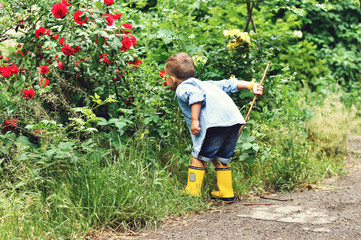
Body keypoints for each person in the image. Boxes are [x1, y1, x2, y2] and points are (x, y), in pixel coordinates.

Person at [164, 52, 263, 203]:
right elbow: (230, 84)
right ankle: (226, 191)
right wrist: (251, 85)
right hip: (233, 121)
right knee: (222, 157)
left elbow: (195, 96)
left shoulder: (183, 88)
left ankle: (192, 190)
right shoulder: (207, 84)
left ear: (173, 79)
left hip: (214, 124)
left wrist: (195, 121)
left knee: (198, 157)